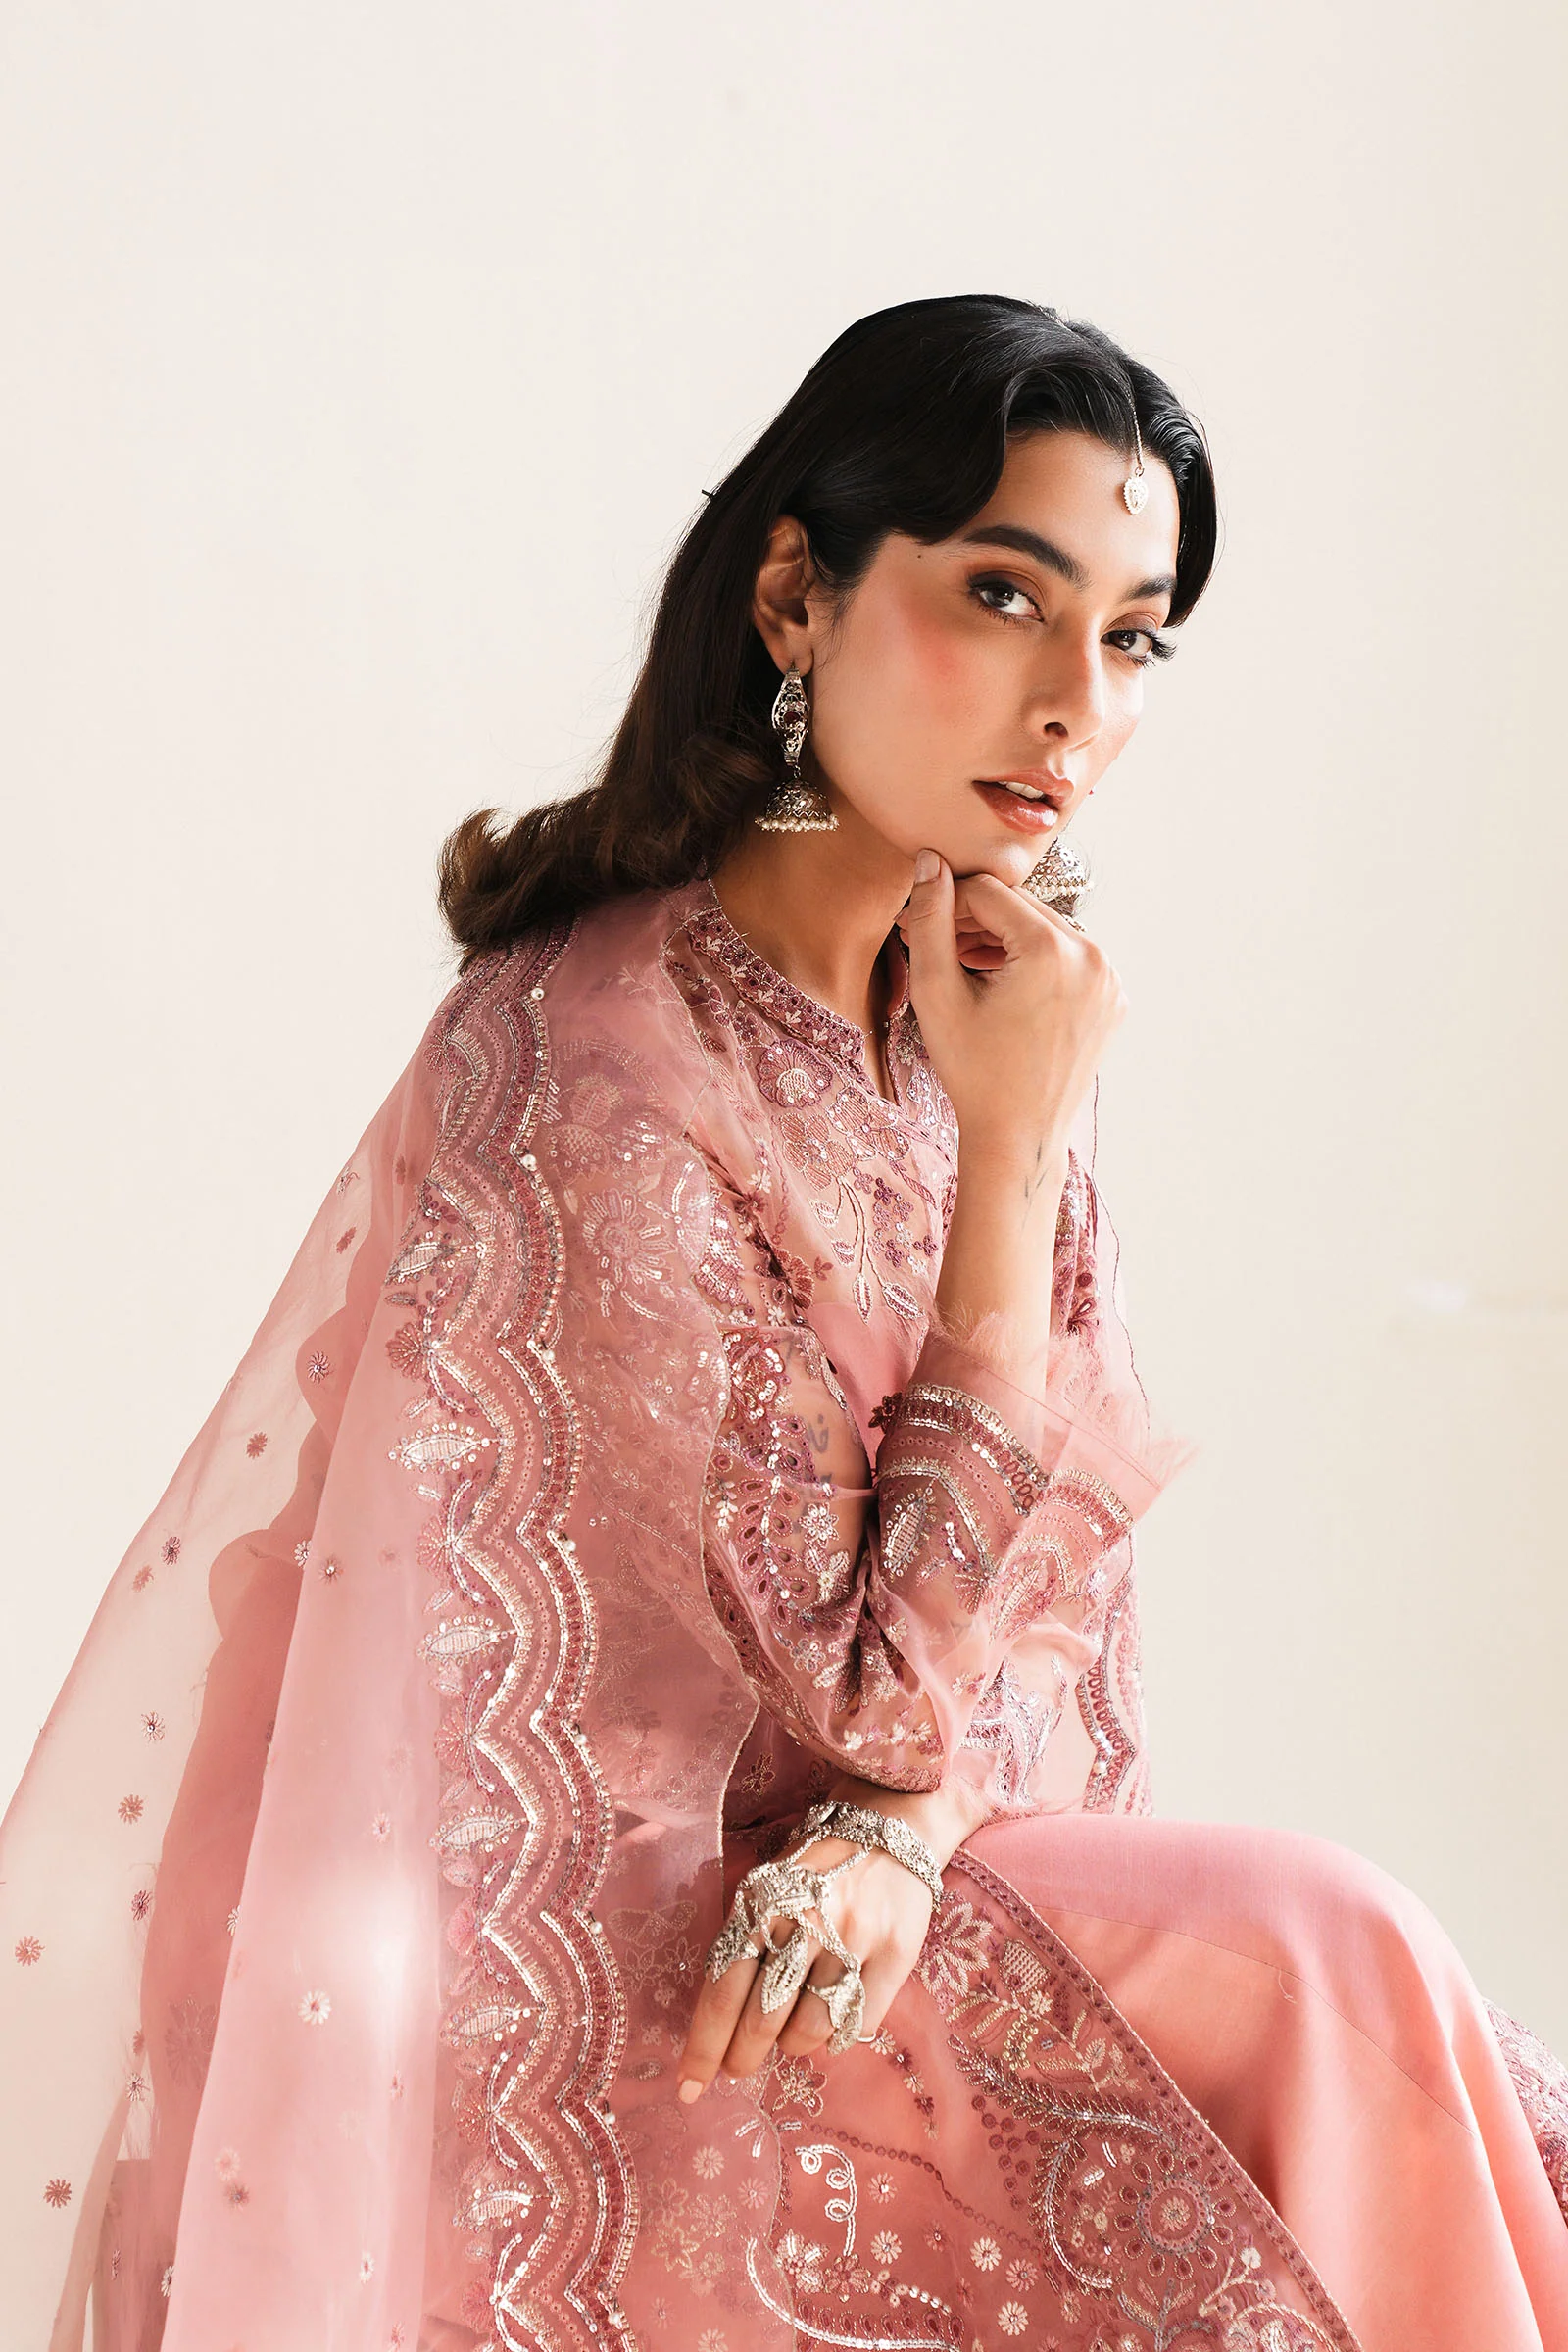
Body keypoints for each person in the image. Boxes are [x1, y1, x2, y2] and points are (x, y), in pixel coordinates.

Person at [2, 295, 1565, 2352]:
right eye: (1002, 595)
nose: (1072, 704)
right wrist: (1014, 1166)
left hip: (896, 1887)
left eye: (1133, 637)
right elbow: (854, 1705)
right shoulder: (595, 1060)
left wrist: (904, 1836)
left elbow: (1035, 1616)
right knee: (1328, 1956)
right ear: (793, 596)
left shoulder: (975, 1016)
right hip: (653, 1981)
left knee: (1417, 2060)